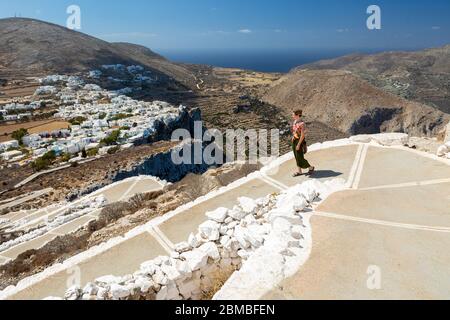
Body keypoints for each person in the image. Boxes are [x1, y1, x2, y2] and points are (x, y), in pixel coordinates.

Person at [291, 110, 315, 177]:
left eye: (293, 115)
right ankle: (299, 171)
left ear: (298, 115)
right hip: (294, 141)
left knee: (300, 157)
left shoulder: (302, 124)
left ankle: (311, 167)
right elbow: (294, 132)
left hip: (299, 142)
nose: (292, 116)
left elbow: (302, 135)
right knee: (296, 156)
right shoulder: (295, 122)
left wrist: (298, 144)